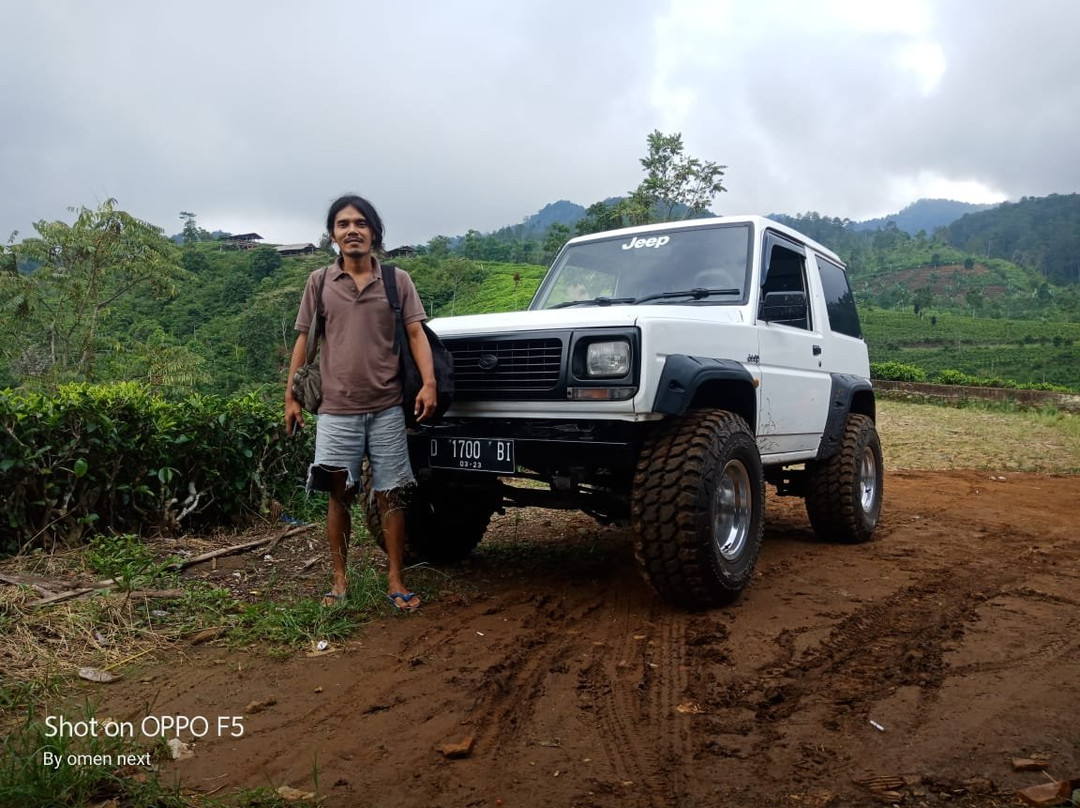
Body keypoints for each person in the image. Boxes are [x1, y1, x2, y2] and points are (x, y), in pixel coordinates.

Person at [285, 194, 436, 612]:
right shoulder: (319, 282)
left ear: (374, 232)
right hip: (335, 410)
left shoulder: (396, 280)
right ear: (333, 235)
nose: (352, 230)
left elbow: (416, 335)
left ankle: (395, 578)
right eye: (343, 224)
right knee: (339, 496)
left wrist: (429, 384)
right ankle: (339, 580)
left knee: (392, 495)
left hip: (387, 408)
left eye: (361, 223)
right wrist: (292, 398)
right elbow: (305, 342)